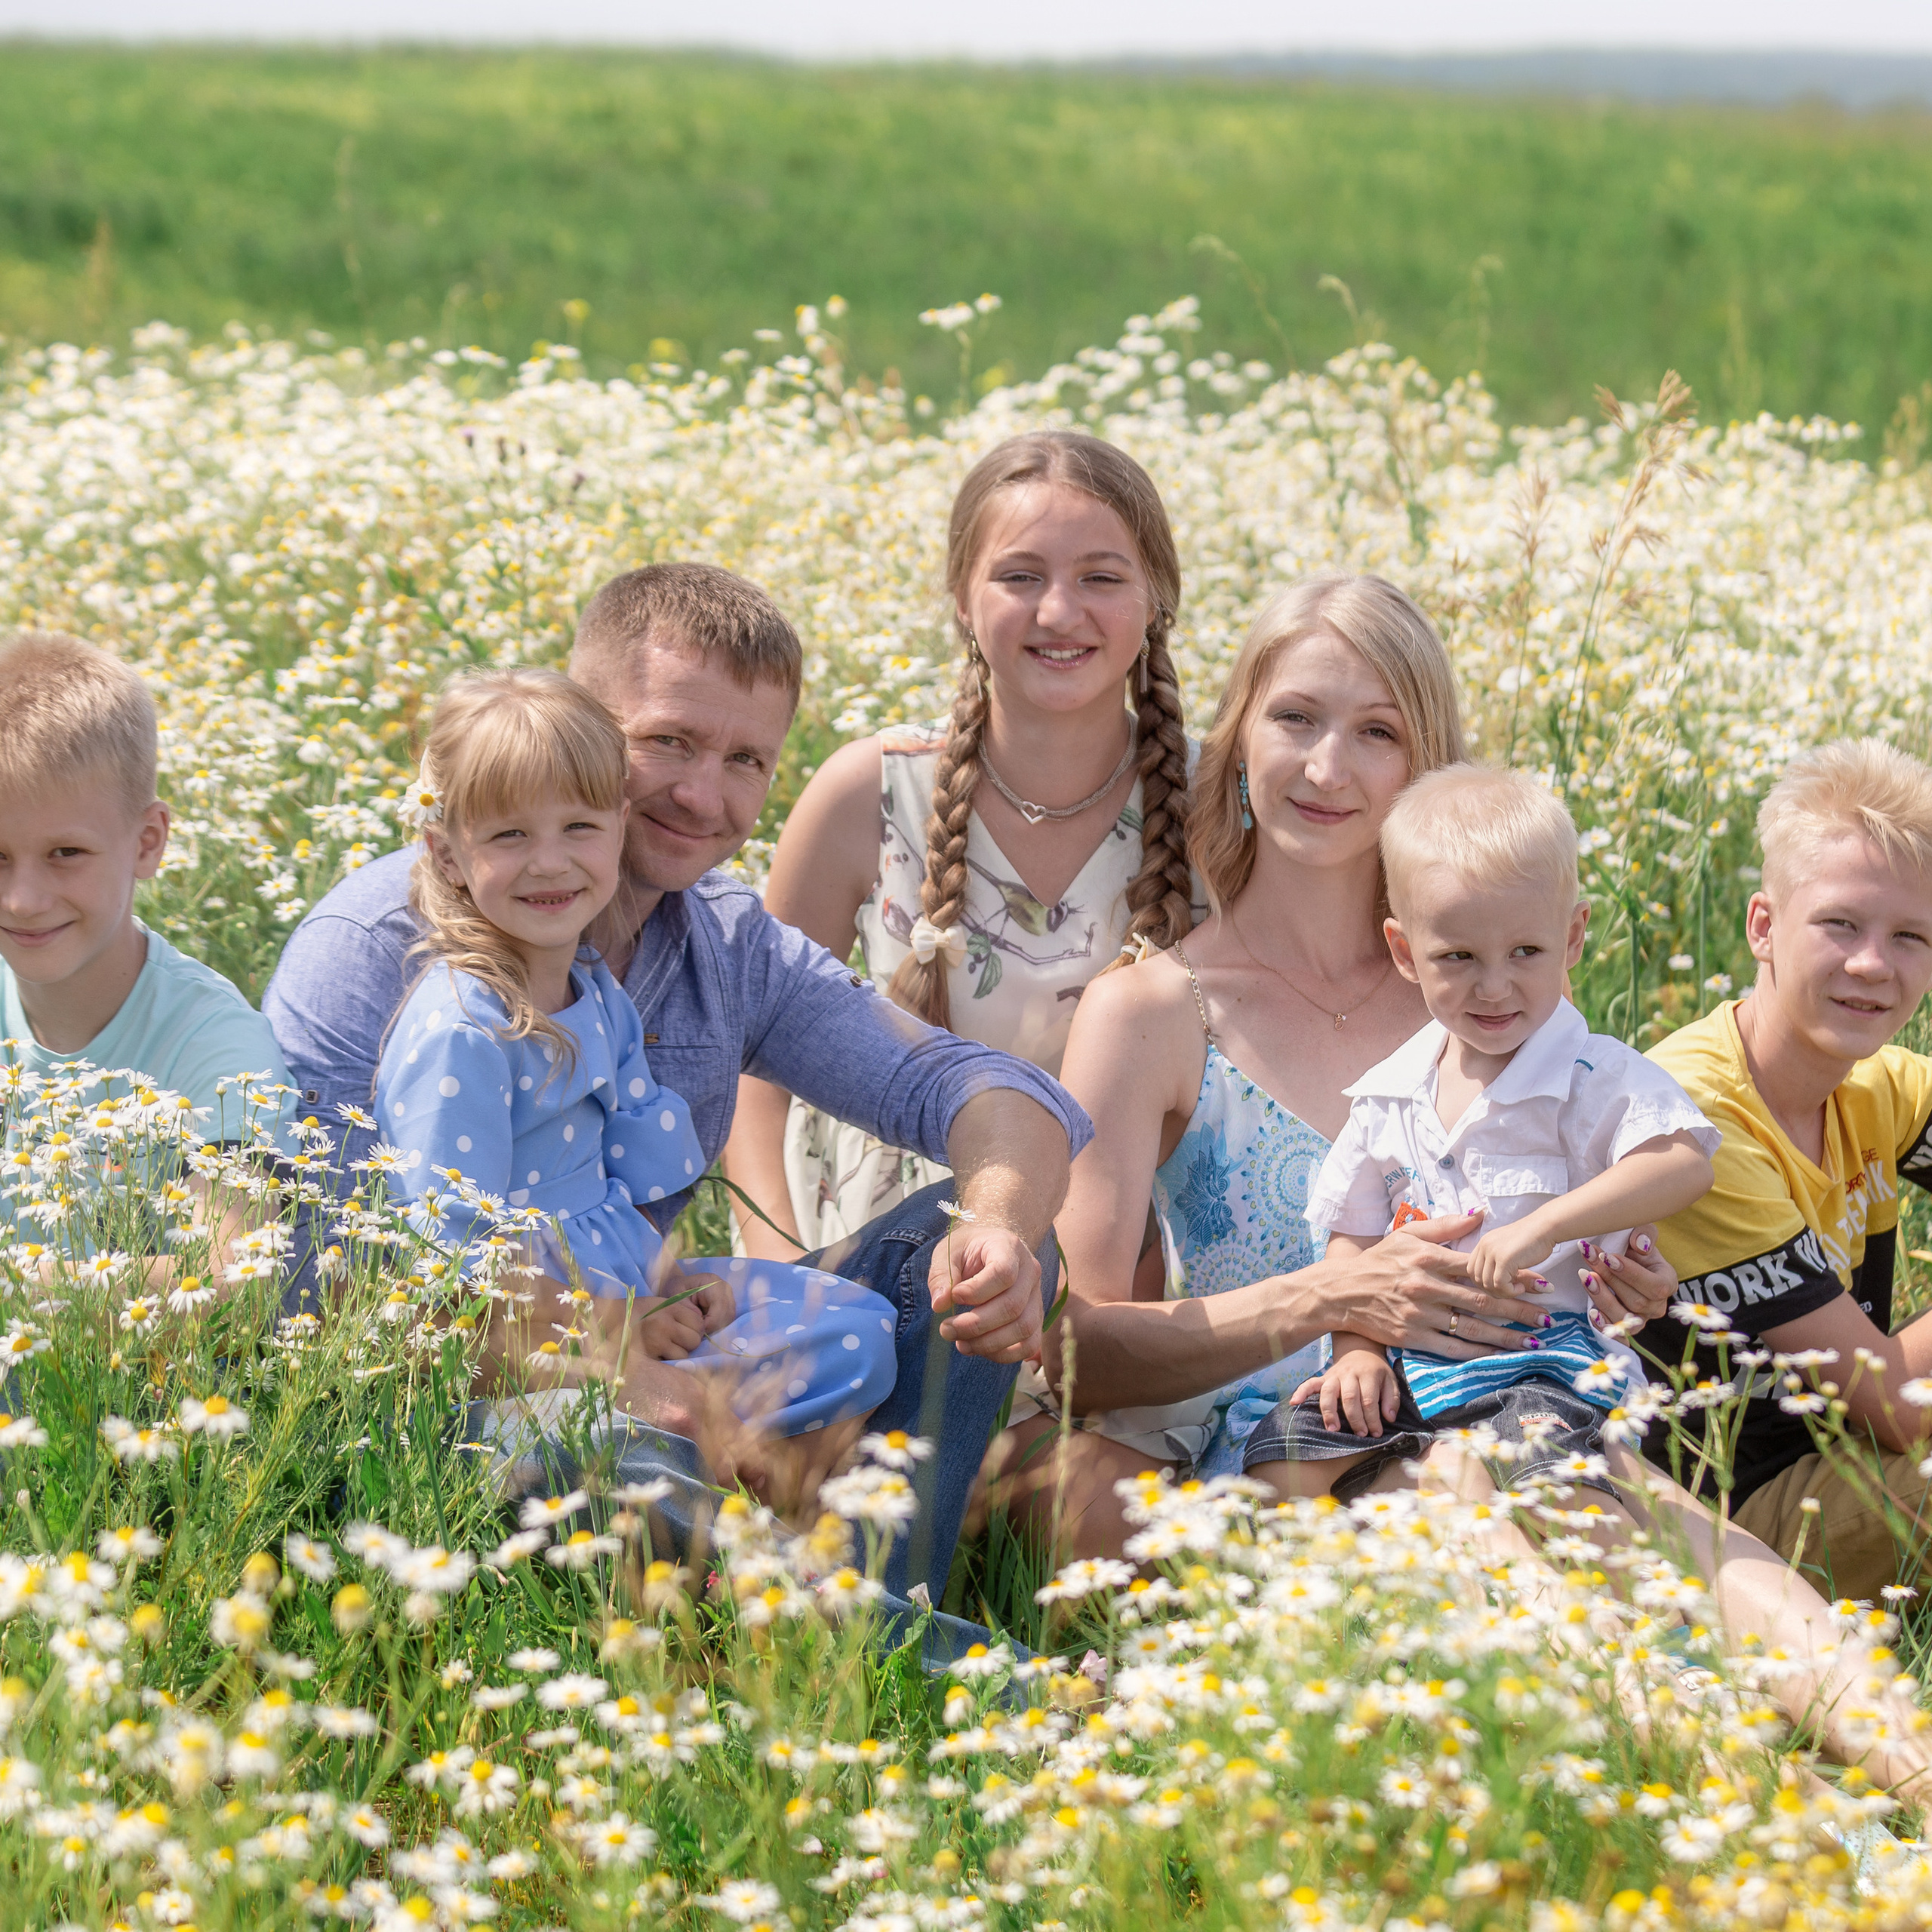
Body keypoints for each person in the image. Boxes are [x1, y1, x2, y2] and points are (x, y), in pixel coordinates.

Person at [264, 563, 1089, 1606]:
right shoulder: (380, 949)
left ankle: (872, 1602)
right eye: (669, 743)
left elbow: (980, 1090)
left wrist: (1002, 1226)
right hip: (452, 1414)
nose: (705, 797)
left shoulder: (725, 943)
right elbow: (329, 1283)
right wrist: (622, 1370)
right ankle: (857, 1638)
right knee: (617, 1462)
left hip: (650, 1340)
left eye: (746, 760)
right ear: (580, 730)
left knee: (971, 1253)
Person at [980, 575, 1677, 1553]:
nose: (1326, 766)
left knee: (1654, 1536)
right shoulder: (1151, 1011)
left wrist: (1620, 1285)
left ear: (1424, 770)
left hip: (1514, 1418)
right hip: (1272, 1466)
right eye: (1295, 718)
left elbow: (1572, 1232)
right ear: (1238, 744)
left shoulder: (1486, 990)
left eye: (1377, 732)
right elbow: (1074, 1355)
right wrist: (1333, 1296)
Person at [380, 666, 894, 1462]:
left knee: (859, 1323)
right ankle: (749, 1497)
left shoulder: (590, 986)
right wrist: (612, 1329)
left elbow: (623, 1179)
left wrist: (667, 1282)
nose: (550, 863)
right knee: (699, 1412)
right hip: (530, 1342)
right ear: (447, 854)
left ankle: (766, 1487)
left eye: (578, 828)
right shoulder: (465, 1029)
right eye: (511, 836)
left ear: (620, 830)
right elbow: (452, 1261)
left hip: (622, 1286)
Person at [721, 431, 1195, 1257]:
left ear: (1156, 598)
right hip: (878, 1259)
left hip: (1127, 1269)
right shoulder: (869, 791)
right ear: (961, 600)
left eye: (1101, 577)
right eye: (1020, 576)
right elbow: (751, 1059)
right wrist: (779, 1261)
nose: (1059, 612)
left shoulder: (1219, 804)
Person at [1250, 763, 1718, 1499]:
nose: (1494, 986)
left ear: (1572, 937)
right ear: (1406, 952)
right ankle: (1423, 1532)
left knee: (1547, 1486)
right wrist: (1355, 1350)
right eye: (1458, 957)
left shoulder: (1593, 1075)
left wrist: (1545, 1227)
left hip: (1543, 1365)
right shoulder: (1388, 1096)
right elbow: (1352, 1241)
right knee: (1279, 1456)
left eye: (1525, 952)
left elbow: (1681, 1161)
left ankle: (1542, 1561)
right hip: (1413, 1372)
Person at [1643, 737, 1932, 1602]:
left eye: (1909, 936)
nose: (1872, 964)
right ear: (1763, 926)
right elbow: (1898, 1408)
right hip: (1712, 1522)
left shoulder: (1878, 1086)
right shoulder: (1693, 1121)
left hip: (1835, 1461)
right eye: (1840, 924)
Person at [0, 631, 294, 1226]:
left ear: (148, 842)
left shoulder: (220, 1050)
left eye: (65, 853)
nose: (23, 901)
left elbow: (229, 1262)